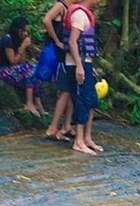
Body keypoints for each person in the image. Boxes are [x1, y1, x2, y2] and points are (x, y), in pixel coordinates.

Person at [63, 0, 103, 155]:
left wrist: (88, 67)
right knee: (82, 100)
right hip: (76, 64)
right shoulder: (79, 15)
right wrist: (79, 66)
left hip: (85, 64)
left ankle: (87, 138)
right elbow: (73, 42)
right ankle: (78, 142)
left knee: (92, 100)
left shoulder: (84, 15)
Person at [0, 17, 44, 116]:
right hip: (3, 70)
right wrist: (22, 47)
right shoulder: (7, 40)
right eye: (24, 30)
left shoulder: (17, 40)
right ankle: (29, 103)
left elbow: (21, 62)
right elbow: (13, 62)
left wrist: (24, 47)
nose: (26, 33)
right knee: (29, 70)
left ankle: (38, 103)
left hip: (14, 69)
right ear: (18, 30)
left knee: (36, 69)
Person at [42, 0, 75, 141]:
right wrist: (56, 40)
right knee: (65, 90)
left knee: (69, 90)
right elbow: (46, 20)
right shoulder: (60, 6)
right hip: (58, 53)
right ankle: (53, 128)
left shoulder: (69, 8)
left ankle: (66, 125)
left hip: (64, 53)